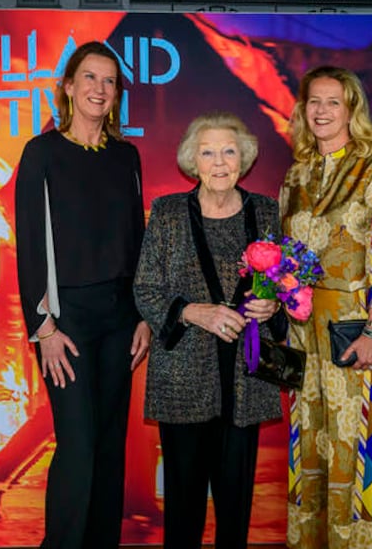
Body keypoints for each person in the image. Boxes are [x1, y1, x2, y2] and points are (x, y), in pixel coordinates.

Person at [14, 41, 152, 549]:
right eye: (90, 78)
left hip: (119, 319)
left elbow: (137, 241)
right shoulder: (42, 152)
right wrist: (43, 327)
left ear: (117, 95)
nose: (99, 88)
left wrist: (142, 315)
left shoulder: (126, 157)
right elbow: (29, 246)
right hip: (64, 321)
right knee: (78, 445)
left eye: (109, 81)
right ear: (68, 87)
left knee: (110, 446)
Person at [133, 111, 286, 549]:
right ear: (192, 162)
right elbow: (145, 288)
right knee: (183, 510)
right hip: (182, 380)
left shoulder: (266, 212)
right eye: (208, 152)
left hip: (245, 380)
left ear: (244, 158)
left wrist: (274, 303)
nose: (219, 162)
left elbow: (283, 287)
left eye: (228, 151)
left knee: (235, 511)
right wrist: (193, 312)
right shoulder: (167, 213)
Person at [280, 66, 372, 549]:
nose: (322, 110)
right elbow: (284, 254)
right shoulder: (296, 173)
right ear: (303, 110)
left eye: (334, 101)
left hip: (354, 325)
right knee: (307, 437)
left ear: (352, 110)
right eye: (314, 101)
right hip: (301, 329)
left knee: (352, 440)